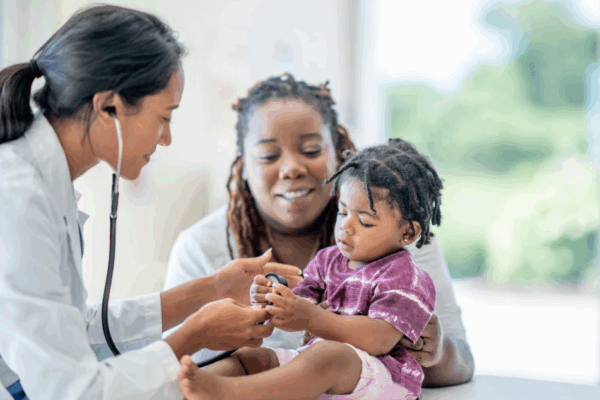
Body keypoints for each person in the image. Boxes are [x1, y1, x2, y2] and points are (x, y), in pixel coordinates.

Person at [0, 5, 300, 400]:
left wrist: (211, 289)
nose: (166, 139)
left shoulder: (43, 182)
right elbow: (70, 389)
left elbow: (68, 327)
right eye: (165, 117)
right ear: (109, 106)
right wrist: (192, 336)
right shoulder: (18, 198)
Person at [165, 73, 475, 386]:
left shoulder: (398, 235)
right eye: (268, 156)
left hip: (366, 379)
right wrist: (273, 302)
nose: (291, 168)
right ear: (243, 165)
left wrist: (438, 352)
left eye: (312, 150)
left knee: (327, 357)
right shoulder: (201, 247)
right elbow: (173, 368)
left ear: (341, 155)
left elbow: (463, 364)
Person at [177, 138, 440, 400]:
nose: (346, 227)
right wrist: (275, 297)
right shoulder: (328, 259)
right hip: (322, 369)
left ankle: (227, 394)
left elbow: (379, 341)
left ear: (408, 232)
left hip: (385, 380)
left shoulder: (407, 276)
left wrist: (313, 319)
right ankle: (186, 391)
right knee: (250, 358)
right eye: (342, 212)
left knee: (329, 356)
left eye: (364, 221)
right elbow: (300, 307)